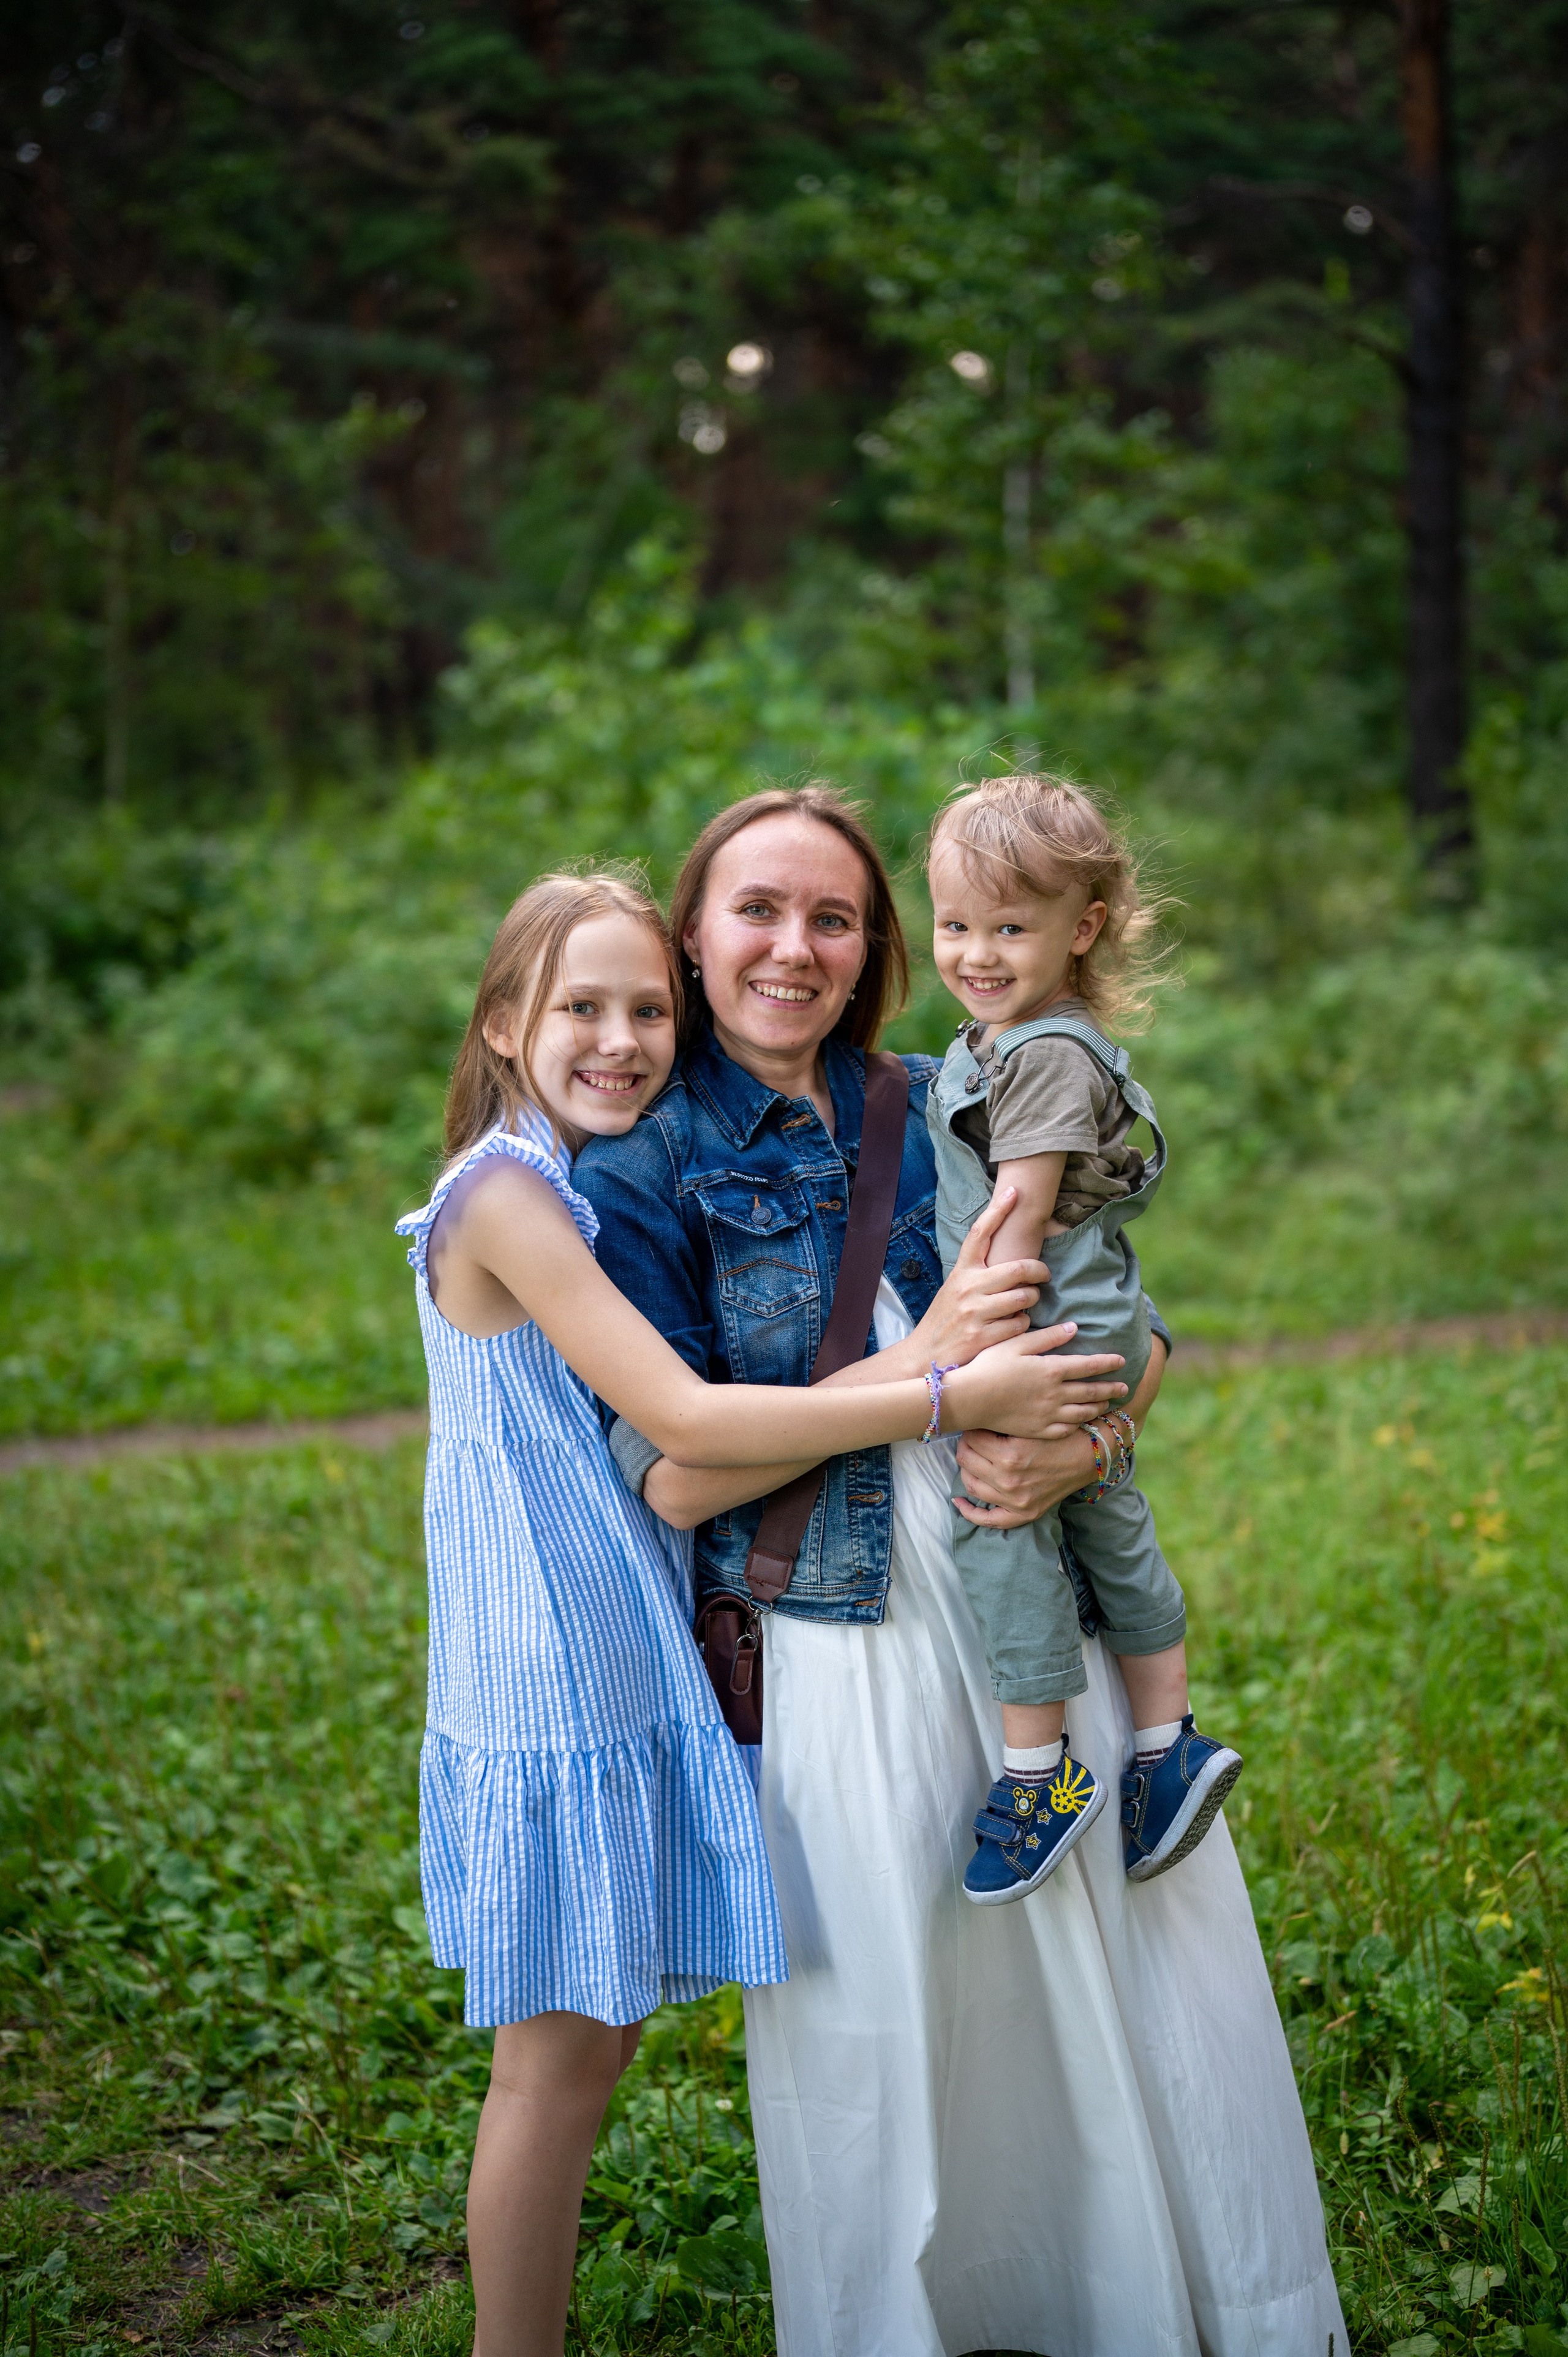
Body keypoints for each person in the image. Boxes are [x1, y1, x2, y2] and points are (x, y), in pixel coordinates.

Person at [578, 786, 1348, 2357]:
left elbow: (1128, 1322)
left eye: (833, 917)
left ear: (874, 951)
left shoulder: (955, 1090)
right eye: (756, 910)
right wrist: (930, 1379)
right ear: (693, 934)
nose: (794, 947)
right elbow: (669, 1471)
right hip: (839, 1630)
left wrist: (1089, 1442)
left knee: (1106, 1989)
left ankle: (1129, 2303)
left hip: (1016, 1599)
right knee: (893, 2018)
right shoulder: (640, 1169)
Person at [394, 867, 1116, 2357]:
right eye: (578, 1008)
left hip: (612, 1640)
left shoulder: (567, 1174)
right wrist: (949, 1388)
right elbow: (674, 1418)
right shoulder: (511, 1195)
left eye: (645, 1007)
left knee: (586, 2048)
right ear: (501, 1020)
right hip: (555, 1663)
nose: (621, 1038)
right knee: (554, 2063)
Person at [925, 773, 1242, 1904]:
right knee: (1107, 1513)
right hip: (1088, 1304)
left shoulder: (1046, 1052)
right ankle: (1168, 1745)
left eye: (1013, 927)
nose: (978, 953)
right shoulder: (1017, 1038)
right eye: (956, 925)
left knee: (998, 1517)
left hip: (1040, 1308)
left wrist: (961, 1349)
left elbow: (1018, 1202)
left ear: (1084, 927)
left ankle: (1040, 1772)